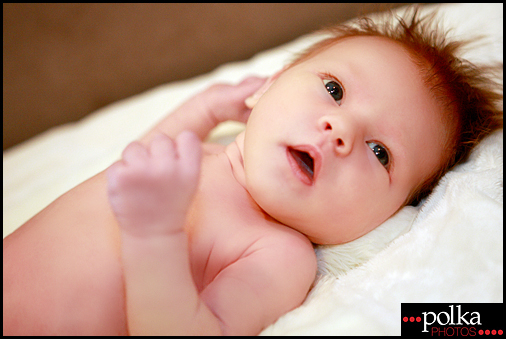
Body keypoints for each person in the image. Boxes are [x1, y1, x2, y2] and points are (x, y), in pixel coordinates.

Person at [3, 6, 502, 335]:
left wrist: (155, 235)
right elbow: (131, 169)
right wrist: (202, 111)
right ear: (271, 86)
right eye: (333, 90)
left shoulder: (279, 254)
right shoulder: (205, 153)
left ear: (386, 215)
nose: (340, 130)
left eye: (381, 153)